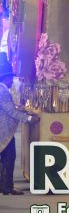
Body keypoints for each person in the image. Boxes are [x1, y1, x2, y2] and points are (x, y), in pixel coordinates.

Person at [0, 53, 38, 195]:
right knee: (9, 158)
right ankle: (7, 187)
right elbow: (10, 112)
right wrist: (28, 119)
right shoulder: (2, 92)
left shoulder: (3, 90)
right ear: (5, 78)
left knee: (5, 158)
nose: (12, 79)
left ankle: (4, 184)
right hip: (4, 131)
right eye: (11, 77)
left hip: (5, 130)